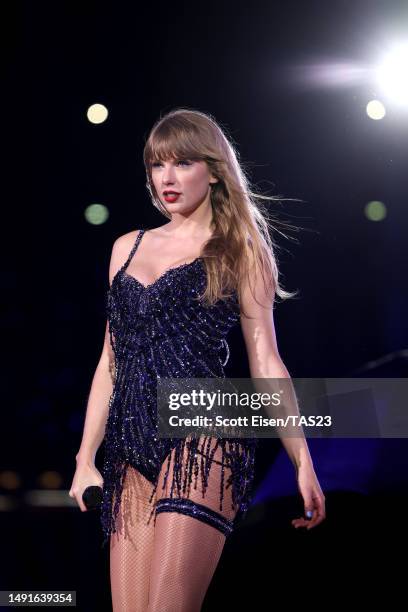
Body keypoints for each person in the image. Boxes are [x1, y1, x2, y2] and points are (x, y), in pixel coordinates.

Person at [69, 108, 326, 611]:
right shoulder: (127, 246)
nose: (166, 177)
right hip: (129, 446)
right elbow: (109, 361)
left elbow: (267, 361)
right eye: (156, 165)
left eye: (181, 162)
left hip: (202, 433)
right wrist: (84, 460)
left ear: (212, 169)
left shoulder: (239, 248)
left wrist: (303, 460)